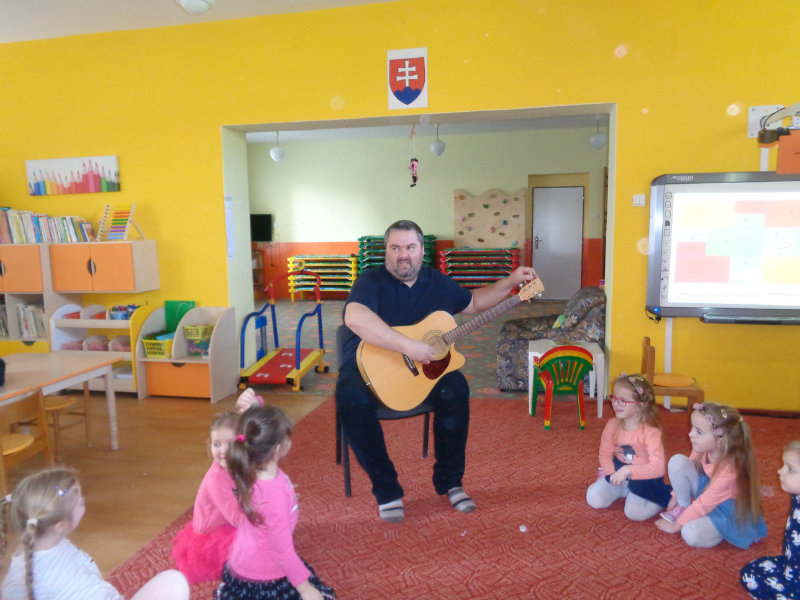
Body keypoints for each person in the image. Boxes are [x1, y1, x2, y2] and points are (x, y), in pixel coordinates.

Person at [336, 219, 537, 523]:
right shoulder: (370, 281)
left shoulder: (436, 282)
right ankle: (387, 490)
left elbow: (474, 302)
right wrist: (407, 346)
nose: (403, 255)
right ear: (386, 251)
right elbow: (354, 317)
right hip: (366, 367)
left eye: (410, 247)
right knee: (350, 399)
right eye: (395, 248)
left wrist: (510, 281)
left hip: (421, 370)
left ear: (422, 250)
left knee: (455, 389)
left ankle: (450, 482)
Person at [1, 467, 189, 600]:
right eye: (79, 502)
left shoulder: (53, 541)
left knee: (174, 582)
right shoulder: (22, 578)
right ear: (59, 526)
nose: (83, 500)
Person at [216, 404, 336, 600]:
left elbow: (256, 426)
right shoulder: (274, 497)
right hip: (264, 575)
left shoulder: (250, 465)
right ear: (279, 448)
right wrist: (305, 589)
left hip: (243, 561)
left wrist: (254, 404)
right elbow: (283, 552)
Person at [655, 402, 767, 548]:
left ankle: (722, 530)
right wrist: (677, 495)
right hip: (708, 492)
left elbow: (703, 504)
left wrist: (674, 526)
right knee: (677, 461)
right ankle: (684, 507)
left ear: (720, 440)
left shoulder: (729, 472)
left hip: (727, 511)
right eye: (692, 428)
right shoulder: (702, 447)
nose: (690, 434)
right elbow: (687, 466)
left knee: (690, 533)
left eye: (699, 432)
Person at [585, 373, 672, 520]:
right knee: (594, 499)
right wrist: (611, 474)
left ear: (641, 404)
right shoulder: (612, 425)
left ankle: (665, 497)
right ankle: (624, 490)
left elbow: (658, 468)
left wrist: (628, 470)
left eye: (623, 400)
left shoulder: (651, 433)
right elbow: (604, 454)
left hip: (645, 478)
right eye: (614, 398)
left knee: (634, 513)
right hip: (618, 472)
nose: (615, 403)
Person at [171, 411, 241, 584]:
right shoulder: (216, 481)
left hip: (229, 515)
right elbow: (236, 519)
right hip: (214, 531)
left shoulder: (236, 465)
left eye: (230, 444)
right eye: (217, 444)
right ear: (210, 445)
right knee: (252, 546)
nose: (223, 450)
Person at [740, 439, 800, 598]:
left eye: (790, 469)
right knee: (750, 572)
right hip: (791, 566)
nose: (780, 471)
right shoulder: (797, 494)